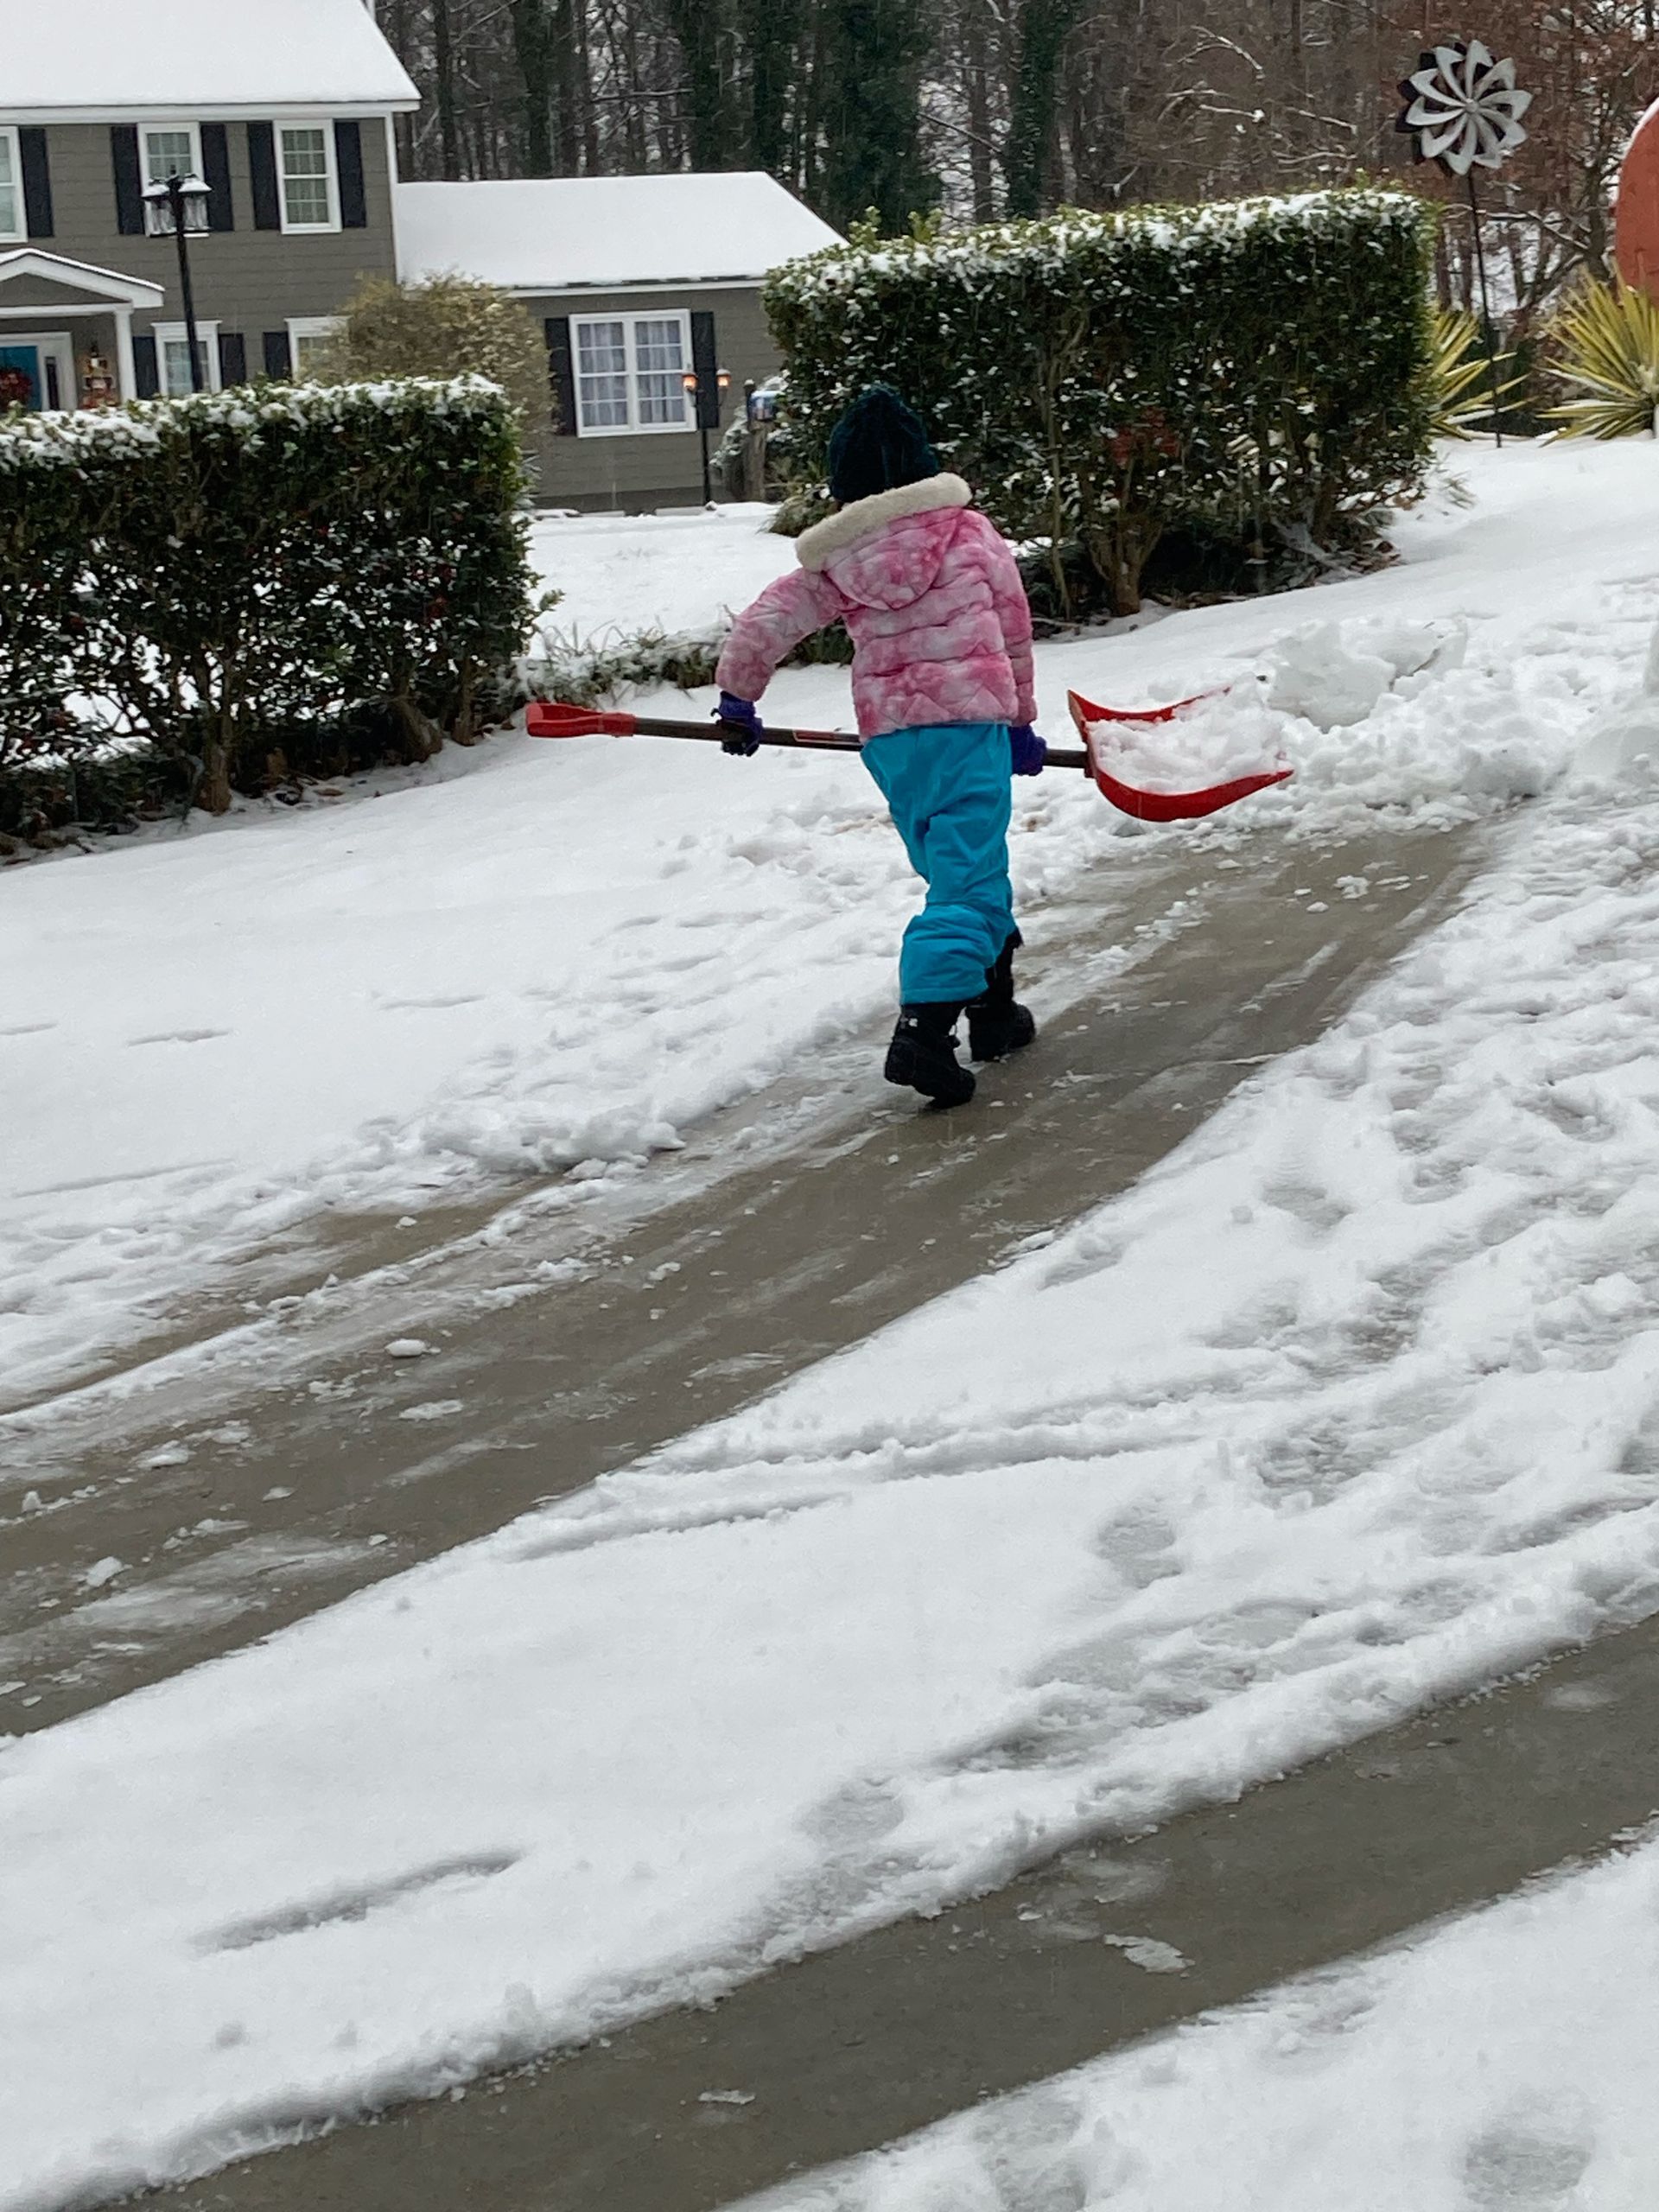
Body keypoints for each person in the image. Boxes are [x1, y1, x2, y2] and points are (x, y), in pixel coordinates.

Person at [714, 386, 1046, 1109]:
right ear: (925, 465)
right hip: (968, 725)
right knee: (967, 883)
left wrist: (740, 697)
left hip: (893, 739)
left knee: (959, 867)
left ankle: (993, 1012)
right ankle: (924, 1031)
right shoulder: (968, 533)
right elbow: (1012, 626)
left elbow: (766, 623)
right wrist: (1020, 719)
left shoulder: (838, 557)